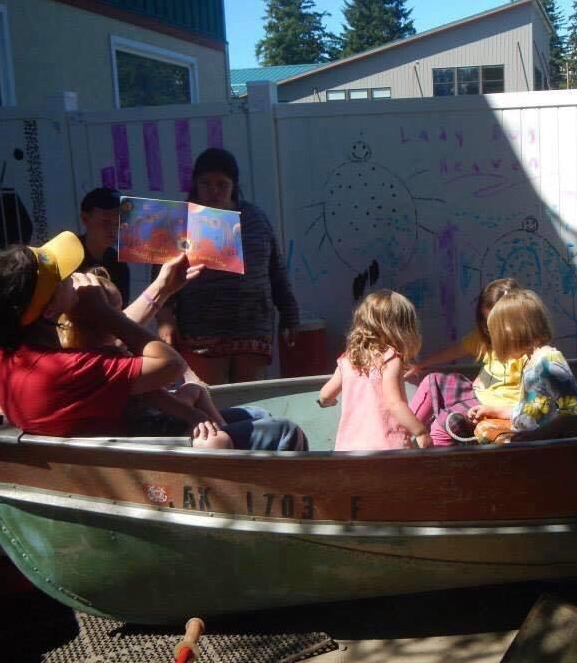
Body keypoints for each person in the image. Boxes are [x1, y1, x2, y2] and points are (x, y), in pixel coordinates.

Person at [0, 233, 307, 450]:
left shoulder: (8, 353)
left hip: (125, 438)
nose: (71, 282)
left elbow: (103, 347)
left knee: (256, 412)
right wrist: (103, 313)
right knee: (283, 432)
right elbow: (168, 364)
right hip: (139, 451)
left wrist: (160, 290)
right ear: (48, 310)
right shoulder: (64, 370)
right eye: (62, 280)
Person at [156, 148, 299, 385]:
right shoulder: (180, 221)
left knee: (250, 403)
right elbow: (162, 279)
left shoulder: (254, 219)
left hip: (252, 330)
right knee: (210, 403)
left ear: (234, 185)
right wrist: (165, 320)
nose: (214, 191)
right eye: (206, 183)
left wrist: (290, 314)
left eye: (222, 184)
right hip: (201, 333)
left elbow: (275, 271)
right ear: (195, 184)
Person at [57, 269, 234, 449]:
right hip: (141, 430)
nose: (124, 317)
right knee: (200, 400)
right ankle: (224, 429)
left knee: (195, 390)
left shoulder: (72, 351)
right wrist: (194, 415)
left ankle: (223, 427)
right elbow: (155, 395)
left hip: (135, 423)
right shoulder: (111, 358)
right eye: (118, 313)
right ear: (107, 319)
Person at [407, 278, 522, 446]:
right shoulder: (484, 337)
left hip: (492, 406)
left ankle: (441, 464)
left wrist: (503, 412)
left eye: (496, 322)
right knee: (433, 381)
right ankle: (404, 434)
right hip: (476, 394)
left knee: (443, 424)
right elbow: (455, 350)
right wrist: (420, 364)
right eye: (486, 321)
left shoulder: (523, 348)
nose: (489, 327)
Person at [467, 290, 577, 444]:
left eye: (498, 335)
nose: (496, 343)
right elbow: (533, 411)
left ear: (514, 331)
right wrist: (494, 410)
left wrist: (537, 436)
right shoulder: (531, 362)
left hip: (550, 450)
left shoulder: (548, 363)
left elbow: (575, 413)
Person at [318, 290, 432, 451]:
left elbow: (325, 395)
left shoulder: (347, 359)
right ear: (400, 329)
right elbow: (394, 403)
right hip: (387, 449)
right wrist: (420, 432)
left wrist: (327, 402)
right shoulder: (390, 358)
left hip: (349, 450)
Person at [77, 187, 130, 304]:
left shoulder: (119, 264)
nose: (113, 229)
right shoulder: (66, 255)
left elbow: (122, 312)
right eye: (106, 221)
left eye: (118, 223)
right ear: (85, 219)